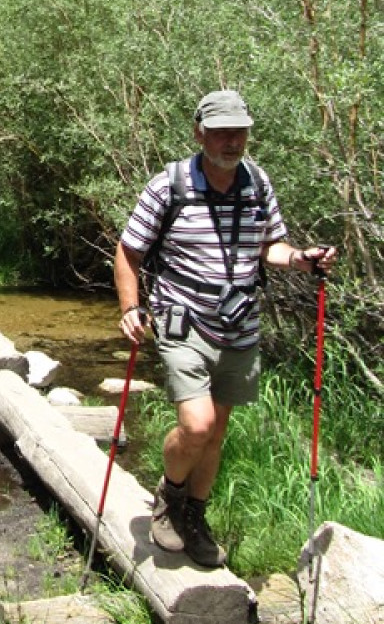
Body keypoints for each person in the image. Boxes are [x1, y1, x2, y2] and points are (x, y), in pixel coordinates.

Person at [114, 89, 337, 567]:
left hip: (239, 325)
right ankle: (170, 496)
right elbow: (129, 251)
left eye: (239, 131)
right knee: (198, 425)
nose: (232, 141)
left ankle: (195, 516)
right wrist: (131, 308)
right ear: (200, 133)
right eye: (221, 132)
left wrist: (301, 259)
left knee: (216, 435)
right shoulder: (168, 185)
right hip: (183, 320)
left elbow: (271, 247)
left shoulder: (257, 183)